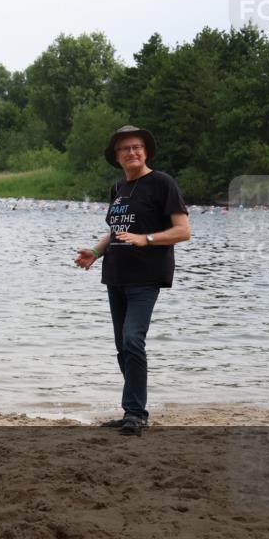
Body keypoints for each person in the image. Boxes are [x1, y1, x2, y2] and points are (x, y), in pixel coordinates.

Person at [74, 125, 190, 436]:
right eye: (125, 149)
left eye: (137, 147)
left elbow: (183, 231)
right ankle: (133, 410)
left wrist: (147, 238)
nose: (132, 152)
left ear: (146, 151)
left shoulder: (163, 183)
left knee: (132, 340)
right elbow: (116, 231)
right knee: (122, 348)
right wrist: (96, 252)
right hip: (115, 276)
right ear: (117, 156)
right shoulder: (119, 189)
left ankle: (136, 414)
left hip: (146, 277)